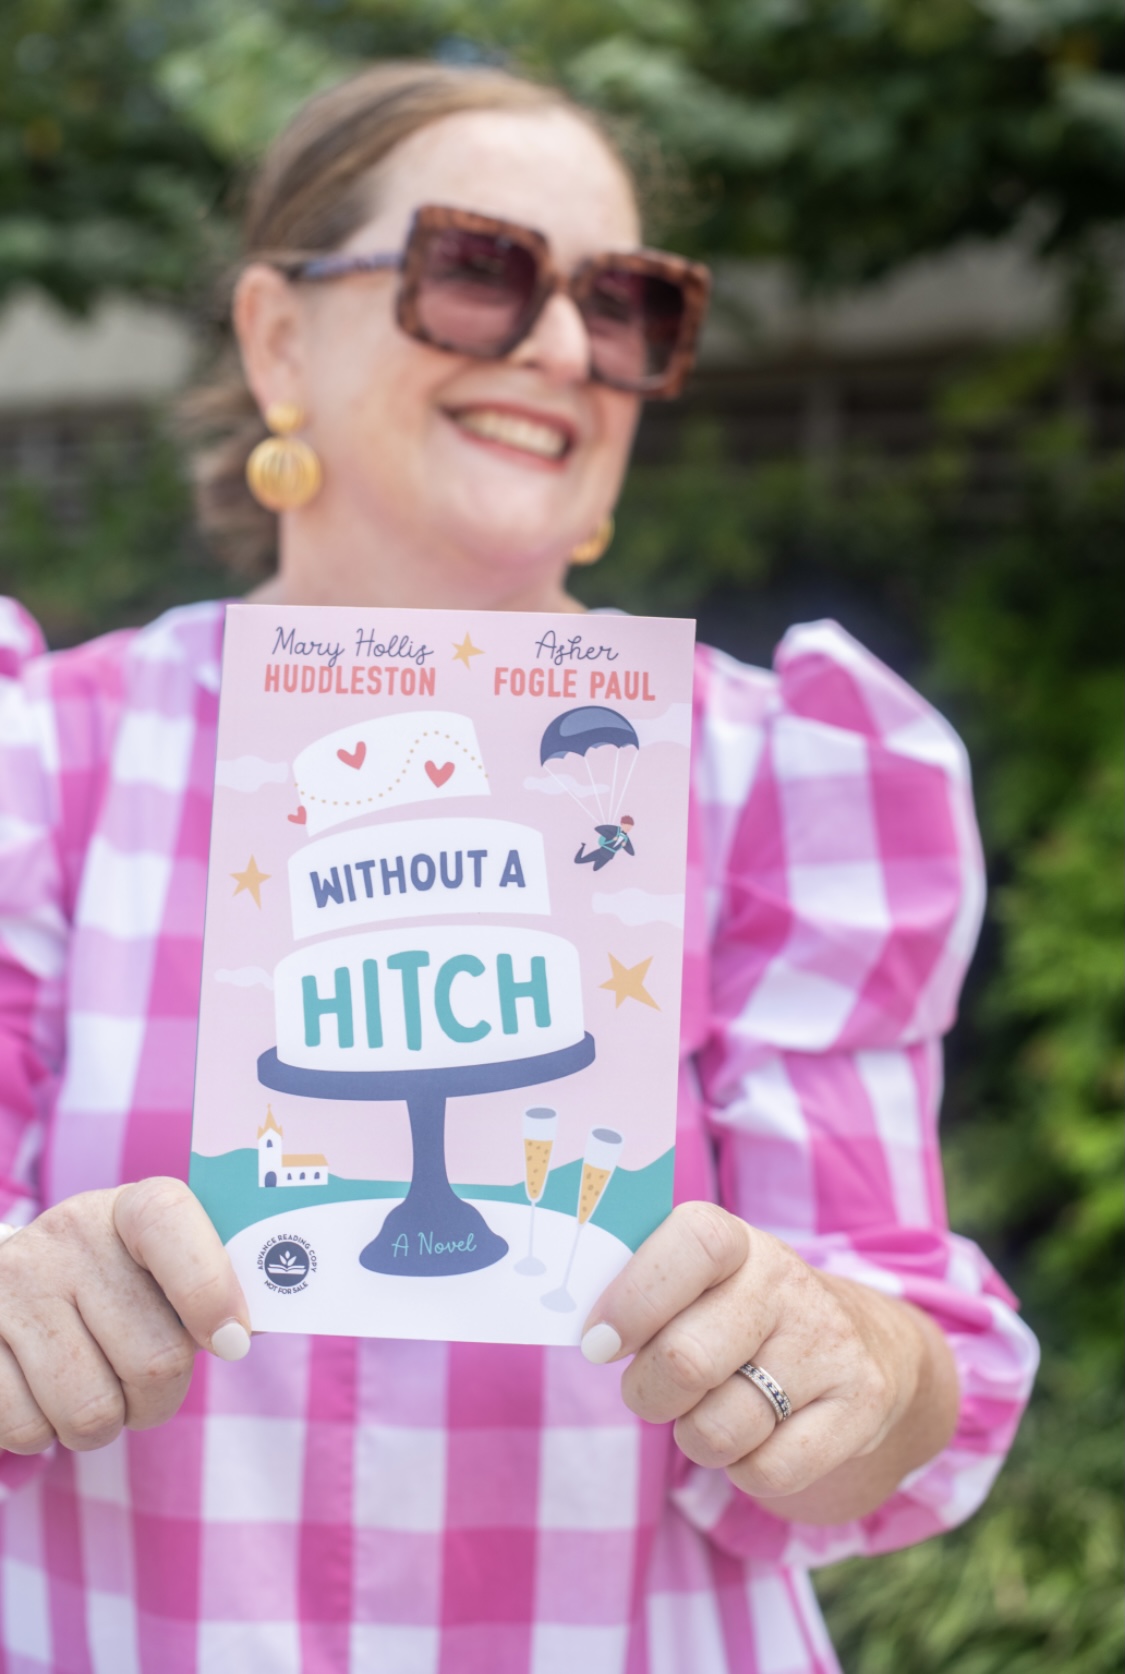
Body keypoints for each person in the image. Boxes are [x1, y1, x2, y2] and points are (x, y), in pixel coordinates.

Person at [0, 61, 1037, 1674]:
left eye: (623, 305)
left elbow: (898, 1366)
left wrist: (844, 1364)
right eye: (478, 270)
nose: (561, 344)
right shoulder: (43, 763)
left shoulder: (776, 776)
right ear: (277, 336)